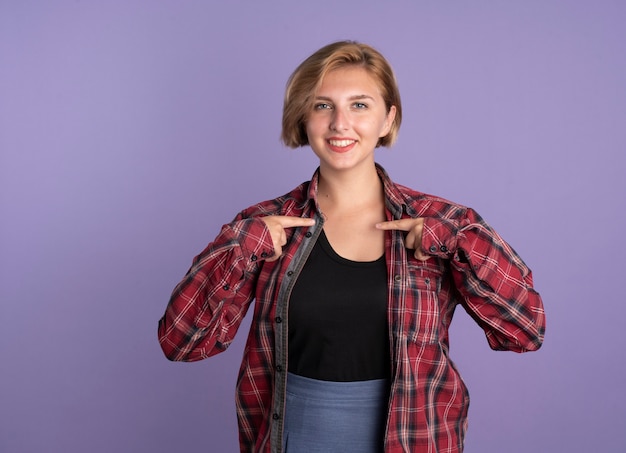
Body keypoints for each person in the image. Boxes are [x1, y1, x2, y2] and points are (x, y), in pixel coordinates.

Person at [158, 40, 545, 453]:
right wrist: (243, 246)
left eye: (359, 105)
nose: (340, 123)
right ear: (304, 118)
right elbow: (182, 343)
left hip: (415, 438)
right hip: (295, 434)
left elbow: (525, 331)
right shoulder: (266, 225)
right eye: (323, 105)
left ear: (387, 119)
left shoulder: (444, 223)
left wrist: (455, 244)